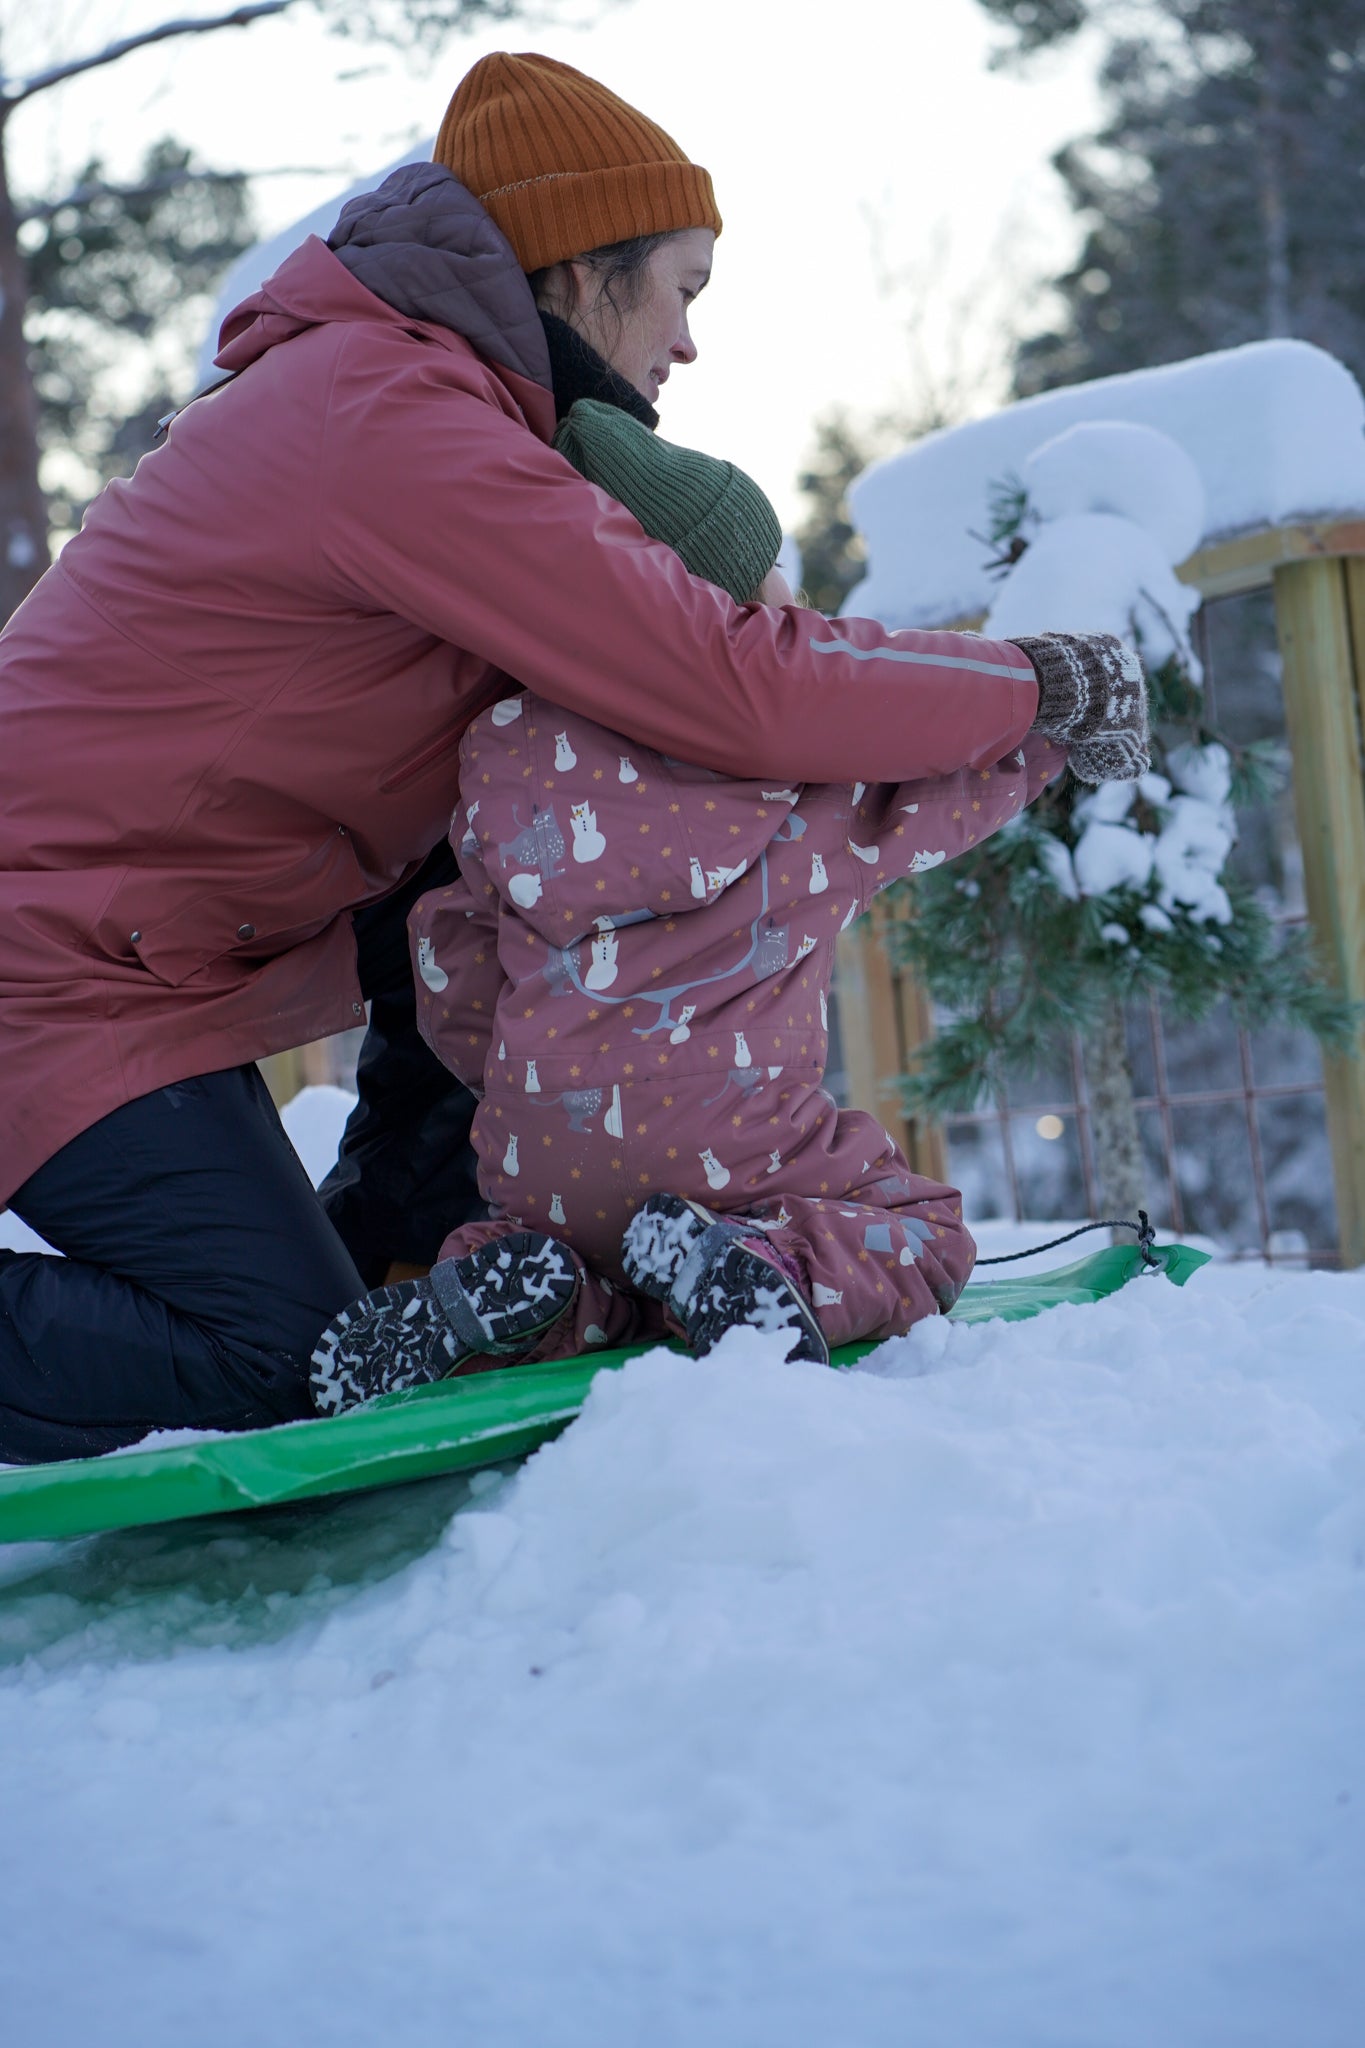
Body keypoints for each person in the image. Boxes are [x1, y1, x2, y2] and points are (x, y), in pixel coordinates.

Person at [0, 51, 1111, 1463]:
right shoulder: (392, 419)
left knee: (505, 868)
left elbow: (650, 692)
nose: (691, 342)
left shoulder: (413, 404)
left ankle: (409, 1243)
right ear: (582, 269)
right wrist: (1039, 686)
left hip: (125, 947)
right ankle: (364, 1283)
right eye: (685, 288)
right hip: (50, 961)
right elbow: (726, 685)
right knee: (280, 1356)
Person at [307, 400, 1148, 1410]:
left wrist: (519, 1071)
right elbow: (938, 793)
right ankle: (767, 1267)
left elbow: (450, 954)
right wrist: (1053, 734)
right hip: (733, 1149)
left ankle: (535, 1291)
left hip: (543, 1159)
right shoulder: (793, 787)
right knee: (922, 1228)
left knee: (610, 1264)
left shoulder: (503, 761)